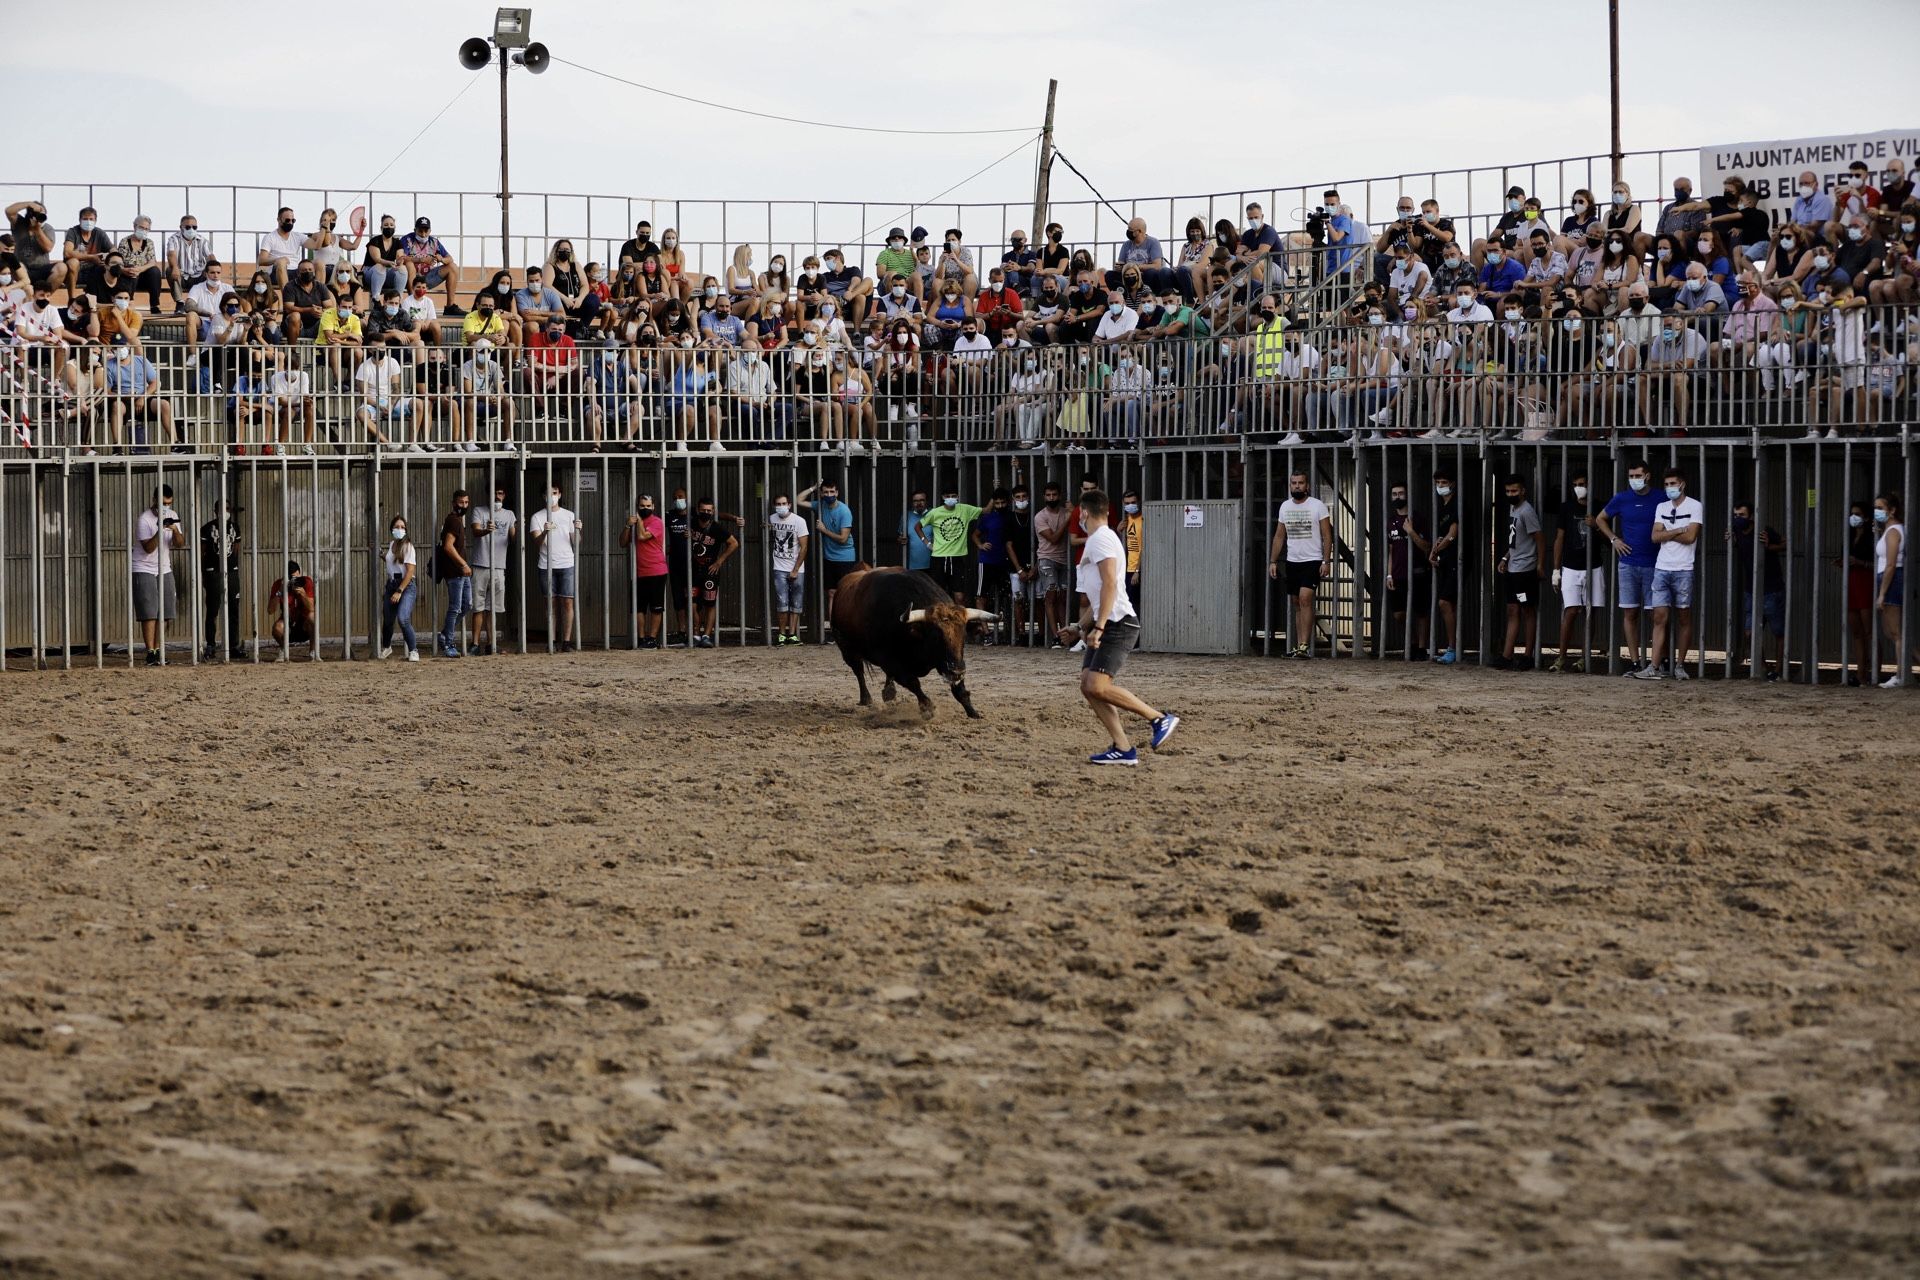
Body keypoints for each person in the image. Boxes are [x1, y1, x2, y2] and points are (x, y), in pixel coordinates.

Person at [1056, 489, 1179, 767]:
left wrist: (1098, 628)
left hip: (1118, 624)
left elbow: (1110, 584)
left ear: (1084, 513)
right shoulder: (1102, 538)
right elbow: (1100, 595)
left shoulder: (1099, 540)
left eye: (1079, 515)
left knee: (1096, 684)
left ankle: (1159, 718)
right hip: (1109, 621)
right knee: (1089, 686)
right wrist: (1079, 626)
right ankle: (1123, 748)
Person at [1633, 468, 1704, 680]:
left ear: (1682, 484)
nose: (1669, 488)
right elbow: (1655, 537)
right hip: (1662, 568)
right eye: (1666, 484)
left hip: (1684, 569)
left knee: (1684, 617)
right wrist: (1676, 531)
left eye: (1673, 483)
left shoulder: (1695, 505)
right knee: (1659, 617)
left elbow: (1691, 537)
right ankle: (1654, 667)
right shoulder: (1661, 506)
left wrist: (1667, 534)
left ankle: (1680, 665)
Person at [1596, 459, 1664, 674]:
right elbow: (1600, 519)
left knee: (1657, 615)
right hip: (1628, 564)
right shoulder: (1622, 498)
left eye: (1638, 476)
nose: (1634, 480)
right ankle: (1635, 662)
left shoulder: (1661, 497)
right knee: (1630, 613)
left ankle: (1657, 662)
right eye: (1631, 476)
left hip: (1655, 565)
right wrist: (1614, 539)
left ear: (1648, 476)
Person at [1266, 472, 1332, 659]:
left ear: (1307, 486)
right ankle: (1300, 646)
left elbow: (1327, 535)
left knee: (1305, 598)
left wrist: (1326, 561)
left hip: (1312, 560)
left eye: (1300, 483)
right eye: (1293, 483)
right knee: (1296, 602)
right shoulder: (1285, 507)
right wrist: (1273, 560)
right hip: (1293, 560)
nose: (1297, 486)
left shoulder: (1317, 505)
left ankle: (1304, 645)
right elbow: (1280, 535)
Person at [1550, 472, 1604, 673]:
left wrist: (1596, 526)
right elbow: (1559, 538)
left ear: (1589, 484)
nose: (1578, 487)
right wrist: (1556, 569)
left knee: (1590, 613)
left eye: (1581, 484)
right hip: (1570, 567)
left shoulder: (1599, 506)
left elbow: (1609, 539)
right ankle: (1561, 657)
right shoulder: (1566, 507)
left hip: (1594, 566)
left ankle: (1584, 658)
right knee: (1570, 611)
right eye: (1575, 484)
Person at [1728, 501, 1786, 682]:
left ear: (1751, 516)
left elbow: (1785, 543)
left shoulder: (1763, 530)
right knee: (1750, 632)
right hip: (1750, 590)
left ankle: (1779, 669)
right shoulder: (1736, 532)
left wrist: (1769, 546)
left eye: (1742, 515)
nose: (1738, 519)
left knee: (1778, 631)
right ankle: (1762, 668)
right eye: (1735, 515)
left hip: (1772, 588)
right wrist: (1733, 541)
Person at [1494, 476, 1545, 670]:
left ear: (1523, 491)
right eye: (1507, 491)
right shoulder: (1513, 509)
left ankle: (1527, 655)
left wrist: (1540, 565)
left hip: (1525, 570)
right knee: (1513, 610)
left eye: (1514, 491)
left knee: (1527, 610)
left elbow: (1539, 538)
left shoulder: (1527, 511)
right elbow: (1516, 540)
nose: (1510, 495)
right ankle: (1507, 655)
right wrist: (1506, 557)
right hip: (1513, 568)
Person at [132, 485, 185, 666]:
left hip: (164, 568)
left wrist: (175, 530)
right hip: (144, 567)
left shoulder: (173, 515)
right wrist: (159, 529)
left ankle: (159, 649)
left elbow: (179, 544)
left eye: (169, 504)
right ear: (155, 501)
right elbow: (148, 548)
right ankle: (150, 652)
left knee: (166, 611)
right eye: (163, 503)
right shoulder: (144, 519)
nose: (166, 507)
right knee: (149, 612)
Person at [797, 482, 855, 638]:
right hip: (829, 557)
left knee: (845, 594)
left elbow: (843, 539)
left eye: (832, 492)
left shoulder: (844, 511)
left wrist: (824, 530)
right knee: (831, 593)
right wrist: (813, 488)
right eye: (825, 492)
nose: (829, 495)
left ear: (837, 492)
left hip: (845, 558)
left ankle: (845, 629)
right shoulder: (820, 505)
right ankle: (834, 630)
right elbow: (798, 500)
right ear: (822, 494)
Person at [528, 482, 581, 652]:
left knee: (567, 602)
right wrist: (544, 531)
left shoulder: (569, 515)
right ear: (543, 496)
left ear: (560, 494)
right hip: (546, 565)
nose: (552, 496)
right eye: (548, 493)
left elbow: (577, 542)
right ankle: (551, 642)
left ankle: (566, 641)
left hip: (567, 563)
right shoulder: (537, 517)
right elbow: (537, 542)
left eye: (555, 492)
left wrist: (578, 529)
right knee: (550, 604)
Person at [1383, 482, 1429, 660]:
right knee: (1399, 614)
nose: (1397, 497)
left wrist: (1411, 532)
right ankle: (1413, 642)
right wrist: (1389, 574)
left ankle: (1422, 648)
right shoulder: (1391, 521)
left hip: (1417, 572)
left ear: (1407, 495)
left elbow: (1426, 546)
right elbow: (1391, 550)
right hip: (1398, 574)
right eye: (1394, 494)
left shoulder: (1418, 519)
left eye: (1400, 494)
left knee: (1421, 612)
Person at [1874, 492, 1914, 688]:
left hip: (1892, 579)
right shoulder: (1890, 530)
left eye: (1880, 508)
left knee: (1896, 633)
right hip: (1890, 579)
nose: (1877, 512)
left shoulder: (1893, 532)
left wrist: (1882, 593)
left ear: (1892, 510)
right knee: (1893, 632)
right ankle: (1902, 673)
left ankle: (1900, 675)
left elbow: (1891, 564)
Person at [688, 498, 740, 648]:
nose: (706, 513)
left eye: (709, 511)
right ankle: (696, 634)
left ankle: (706, 636)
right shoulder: (691, 523)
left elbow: (734, 543)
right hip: (693, 568)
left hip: (710, 570)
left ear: (713, 511)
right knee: (692, 603)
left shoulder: (717, 528)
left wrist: (719, 561)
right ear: (697, 510)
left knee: (710, 604)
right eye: (703, 510)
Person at [470, 485, 516, 656]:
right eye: (495, 493)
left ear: (504, 495)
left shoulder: (509, 514)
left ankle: (491, 644)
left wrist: (517, 529)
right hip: (480, 564)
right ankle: (475, 643)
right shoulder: (479, 511)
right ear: (488, 494)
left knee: (493, 608)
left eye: (501, 492)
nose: (497, 496)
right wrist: (485, 530)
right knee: (478, 606)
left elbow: (513, 538)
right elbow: (475, 531)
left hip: (499, 566)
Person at [198, 497, 244, 661]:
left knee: (234, 608)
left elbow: (236, 549)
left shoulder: (235, 527)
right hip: (213, 572)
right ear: (215, 511)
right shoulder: (206, 529)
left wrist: (232, 566)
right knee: (212, 609)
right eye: (221, 509)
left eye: (227, 509)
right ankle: (210, 644)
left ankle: (233, 646)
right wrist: (205, 573)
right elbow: (202, 552)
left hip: (231, 572)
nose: (224, 513)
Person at [921, 484, 983, 605]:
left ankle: (959, 621)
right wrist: (927, 543)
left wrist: (995, 489)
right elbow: (918, 526)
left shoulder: (964, 509)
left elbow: (985, 510)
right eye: (948, 496)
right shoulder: (935, 512)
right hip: (938, 558)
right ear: (943, 497)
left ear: (958, 497)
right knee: (937, 595)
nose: (951, 498)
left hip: (957, 558)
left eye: (953, 496)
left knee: (959, 596)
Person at [767, 493, 810, 646]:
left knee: (796, 602)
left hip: (797, 568)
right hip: (779, 567)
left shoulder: (799, 521)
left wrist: (796, 569)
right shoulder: (771, 519)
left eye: (784, 503)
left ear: (790, 504)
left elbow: (804, 547)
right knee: (782, 602)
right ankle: (781, 634)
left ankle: (792, 634)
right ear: (774, 506)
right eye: (778, 504)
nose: (781, 506)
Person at [436, 489, 474, 659]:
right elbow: (448, 546)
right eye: (461, 503)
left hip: (460, 572)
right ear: (454, 503)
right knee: (456, 607)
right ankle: (449, 643)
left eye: (466, 503)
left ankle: (444, 635)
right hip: (455, 571)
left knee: (467, 605)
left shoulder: (457, 520)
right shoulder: (454, 521)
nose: (463, 506)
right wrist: (463, 564)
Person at [378, 518, 420, 662]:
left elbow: (409, 572)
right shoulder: (392, 545)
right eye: (397, 526)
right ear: (392, 529)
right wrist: (381, 555)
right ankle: (387, 647)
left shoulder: (408, 547)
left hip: (406, 586)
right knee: (388, 619)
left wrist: (399, 591)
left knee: (403, 618)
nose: (400, 529)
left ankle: (413, 650)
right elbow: (392, 560)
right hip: (391, 584)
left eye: (402, 527)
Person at [268, 559, 317, 660]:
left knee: (312, 617)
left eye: (297, 578)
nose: (295, 581)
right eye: (292, 579)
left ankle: (313, 652)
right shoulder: (279, 584)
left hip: (304, 626)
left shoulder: (306, 582)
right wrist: (280, 592)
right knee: (277, 628)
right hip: (288, 625)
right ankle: (284, 649)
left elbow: (311, 608)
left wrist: (303, 594)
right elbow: (270, 611)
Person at [897, 488, 933, 572]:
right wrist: (901, 539)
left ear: (927, 501)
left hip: (933, 564)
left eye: (922, 500)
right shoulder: (906, 516)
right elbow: (900, 537)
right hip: (912, 565)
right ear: (912, 503)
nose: (919, 503)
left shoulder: (933, 513)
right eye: (915, 501)